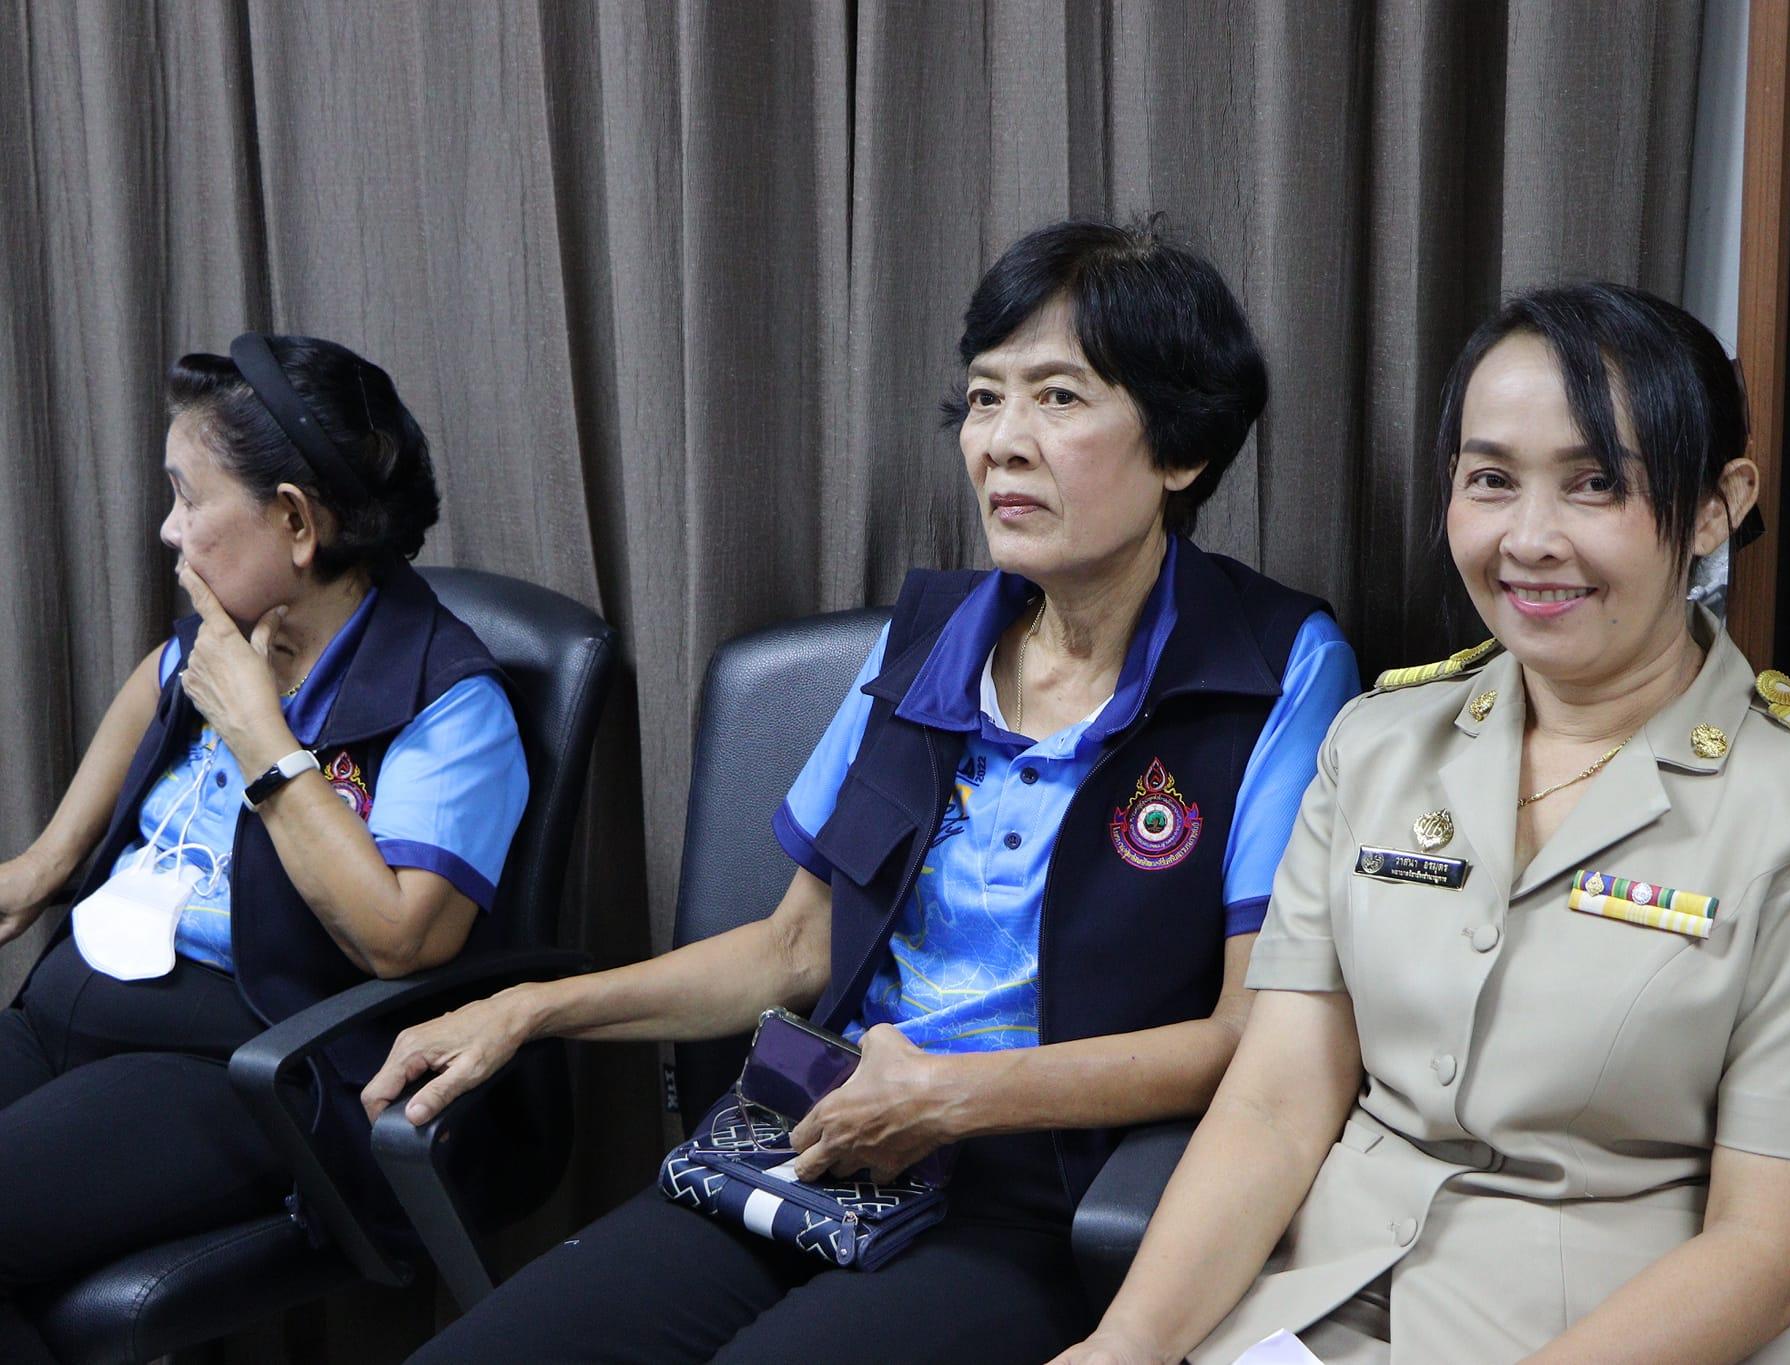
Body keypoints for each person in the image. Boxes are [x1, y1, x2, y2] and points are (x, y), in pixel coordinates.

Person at [371, 217, 1360, 1365]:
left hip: (1040, 1194)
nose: (1002, 444)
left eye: (1057, 398)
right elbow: (795, 947)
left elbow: (1246, 1035)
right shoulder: (926, 643)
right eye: (983, 399)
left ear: (1180, 449)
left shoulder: (1274, 665)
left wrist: (955, 1095)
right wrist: (532, 1008)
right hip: (820, 1138)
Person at [1053, 283, 1790, 1365]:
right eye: (1491, 480)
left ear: (1715, 506)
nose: (1530, 539)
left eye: (1596, 483)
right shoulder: (1378, 745)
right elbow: (1275, 1104)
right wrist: (1127, 1343)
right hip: (1313, 1314)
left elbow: (1768, 1248)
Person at [0, 335, 528, 1364]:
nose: (168, 528)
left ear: (293, 520)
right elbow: (51, 858)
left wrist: (261, 735)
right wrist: (33, 873)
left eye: (187, 496)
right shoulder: (196, 653)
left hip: (233, 1063)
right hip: (61, 1015)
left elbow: (401, 939)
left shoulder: (451, 705)